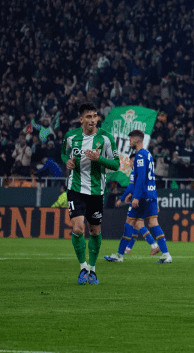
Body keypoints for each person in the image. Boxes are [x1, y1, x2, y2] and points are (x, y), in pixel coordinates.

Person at [61, 102, 120, 285]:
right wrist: (68, 162)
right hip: (75, 189)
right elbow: (64, 154)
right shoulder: (71, 136)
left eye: (95, 116)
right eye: (89, 116)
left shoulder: (106, 138)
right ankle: (83, 267)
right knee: (78, 229)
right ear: (81, 119)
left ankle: (92, 270)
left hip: (96, 191)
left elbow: (116, 164)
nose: (93, 120)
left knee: (95, 231)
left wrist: (99, 158)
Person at [105, 130, 171, 264]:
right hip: (151, 194)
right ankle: (166, 254)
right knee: (153, 223)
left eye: (130, 139)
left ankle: (119, 255)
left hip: (142, 196)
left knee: (129, 223)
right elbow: (145, 178)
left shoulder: (140, 156)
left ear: (137, 139)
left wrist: (136, 197)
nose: (129, 142)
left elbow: (141, 177)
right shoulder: (148, 154)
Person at [104, 154, 160, 261]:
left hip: (138, 201)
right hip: (144, 201)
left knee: (130, 224)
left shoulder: (136, 172)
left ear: (134, 161)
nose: (128, 163)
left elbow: (131, 187)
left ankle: (120, 255)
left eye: (130, 161)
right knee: (137, 224)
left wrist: (121, 199)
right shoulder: (143, 171)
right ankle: (152, 246)